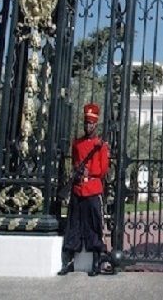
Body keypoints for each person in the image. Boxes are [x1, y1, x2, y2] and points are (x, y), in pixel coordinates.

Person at [58, 103, 109, 277]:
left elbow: (103, 169)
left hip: (93, 189)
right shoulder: (77, 143)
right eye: (86, 123)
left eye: (91, 123)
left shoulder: (101, 145)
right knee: (74, 224)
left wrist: (90, 172)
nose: (88, 126)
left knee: (94, 225)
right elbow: (74, 160)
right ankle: (69, 261)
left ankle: (96, 261)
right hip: (78, 188)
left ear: (96, 125)